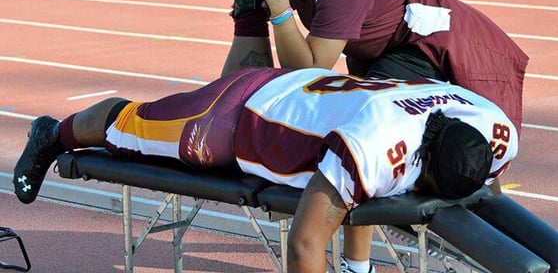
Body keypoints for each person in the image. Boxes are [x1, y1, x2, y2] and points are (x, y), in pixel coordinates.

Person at [221, 0, 529, 270]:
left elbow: (308, 74)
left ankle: (502, 253)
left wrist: (279, 10)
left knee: (468, 169)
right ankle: (358, 264)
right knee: (362, 135)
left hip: (433, 46)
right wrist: (253, 2)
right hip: (385, 50)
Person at [13, 67, 517, 272]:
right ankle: (52, 133)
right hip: (237, 119)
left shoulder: (491, 129)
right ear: (422, 160)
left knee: (356, 182)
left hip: (318, 96)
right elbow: (304, 242)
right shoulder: (375, 146)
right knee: (130, 128)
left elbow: (366, 192)